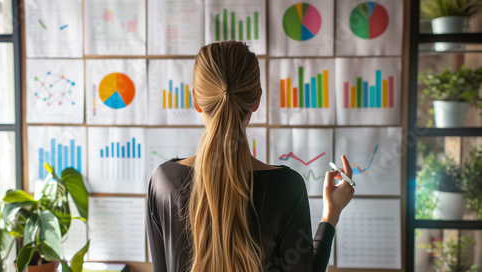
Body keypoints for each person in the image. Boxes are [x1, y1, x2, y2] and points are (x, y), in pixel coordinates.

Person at [147, 41, 354, 272]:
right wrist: (331, 215)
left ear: (195, 100)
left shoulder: (163, 181)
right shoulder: (287, 187)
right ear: (256, 100)